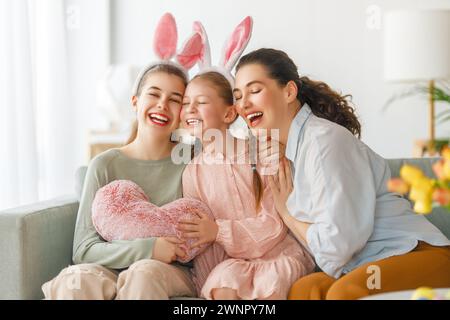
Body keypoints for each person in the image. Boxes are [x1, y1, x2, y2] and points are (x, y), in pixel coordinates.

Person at [232, 48, 450, 300]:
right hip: (363, 267)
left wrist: (289, 217)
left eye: (255, 90)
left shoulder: (324, 142)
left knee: (344, 292)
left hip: (420, 255)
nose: (243, 103)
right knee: (304, 290)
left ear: (289, 92)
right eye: (238, 96)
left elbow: (337, 247)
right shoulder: (289, 155)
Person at [42, 13, 202, 300]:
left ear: (184, 110)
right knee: (74, 281)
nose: (162, 105)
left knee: (143, 273)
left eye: (175, 99)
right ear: (135, 101)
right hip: (110, 267)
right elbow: (84, 249)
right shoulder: (105, 164)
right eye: (154, 94)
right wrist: (148, 247)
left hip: (170, 272)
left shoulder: (197, 160)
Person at [178, 71, 315, 300]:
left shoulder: (264, 153)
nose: (190, 109)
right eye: (185, 103)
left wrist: (218, 231)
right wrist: (205, 285)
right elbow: (202, 240)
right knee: (222, 284)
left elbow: (275, 223)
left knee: (272, 284)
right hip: (234, 266)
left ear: (229, 113)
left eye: (201, 102)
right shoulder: (192, 173)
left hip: (279, 256)